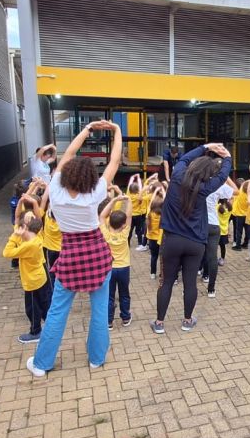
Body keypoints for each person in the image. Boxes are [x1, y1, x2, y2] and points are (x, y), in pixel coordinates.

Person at [27, 119, 122, 377]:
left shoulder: (55, 190)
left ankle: (42, 364)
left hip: (69, 255)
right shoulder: (95, 192)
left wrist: (87, 129)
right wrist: (116, 130)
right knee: (99, 310)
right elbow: (114, 162)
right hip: (97, 255)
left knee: (57, 311)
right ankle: (96, 359)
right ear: (90, 177)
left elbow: (68, 154)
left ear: (66, 173)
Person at [151, 142, 232, 334]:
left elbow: (185, 158)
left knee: (166, 281)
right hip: (195, 242)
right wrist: (227, 157)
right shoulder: (205, 187)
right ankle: (187, 321)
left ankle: (159, 323)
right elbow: (222, 176)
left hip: (172, 240)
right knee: (190, 283)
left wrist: (206, 147)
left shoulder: (177, 175)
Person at [3, 193, 50, 344]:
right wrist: (25, 201)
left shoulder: (28, 245)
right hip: (40, 276)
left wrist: (15, 236)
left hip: (32, 281)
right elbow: (29, 217)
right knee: (44, 302)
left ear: (24, 228)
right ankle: (50, 326)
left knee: (32, 308)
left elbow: (7, 253)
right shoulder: (38, 235)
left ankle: (35, 331)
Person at [101, 191, 133, 329]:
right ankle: (125, 318)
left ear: (110, 222)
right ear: (124, 224)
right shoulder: (125, 234)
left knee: (109, 296)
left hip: (109, 268)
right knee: (124, 294)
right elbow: (129, 215)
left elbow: (102, 215)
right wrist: (128, 200)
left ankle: (109, 321)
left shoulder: (106, 234)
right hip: (124, 268)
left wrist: (114, 200)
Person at [202, 179, 236, 297]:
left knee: (194, 257)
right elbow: (237, 191)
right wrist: (226, 178)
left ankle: (189, 287)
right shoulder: (217, 184)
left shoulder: (194, 182)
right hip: (213, 224)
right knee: (212, 257)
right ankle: (211, 289)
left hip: (198, 225)